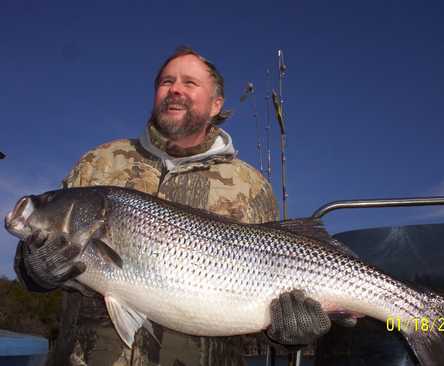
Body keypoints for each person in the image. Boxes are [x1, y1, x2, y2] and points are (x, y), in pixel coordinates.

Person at [14, 47, 330, 366]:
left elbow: (261, 307)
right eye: (166, 81)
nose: (175, 89)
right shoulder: (99, 161)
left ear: (216, 104)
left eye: (190, 83)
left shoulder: (252, 185)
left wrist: (288, 332)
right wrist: (32, 269)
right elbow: (35, 258)